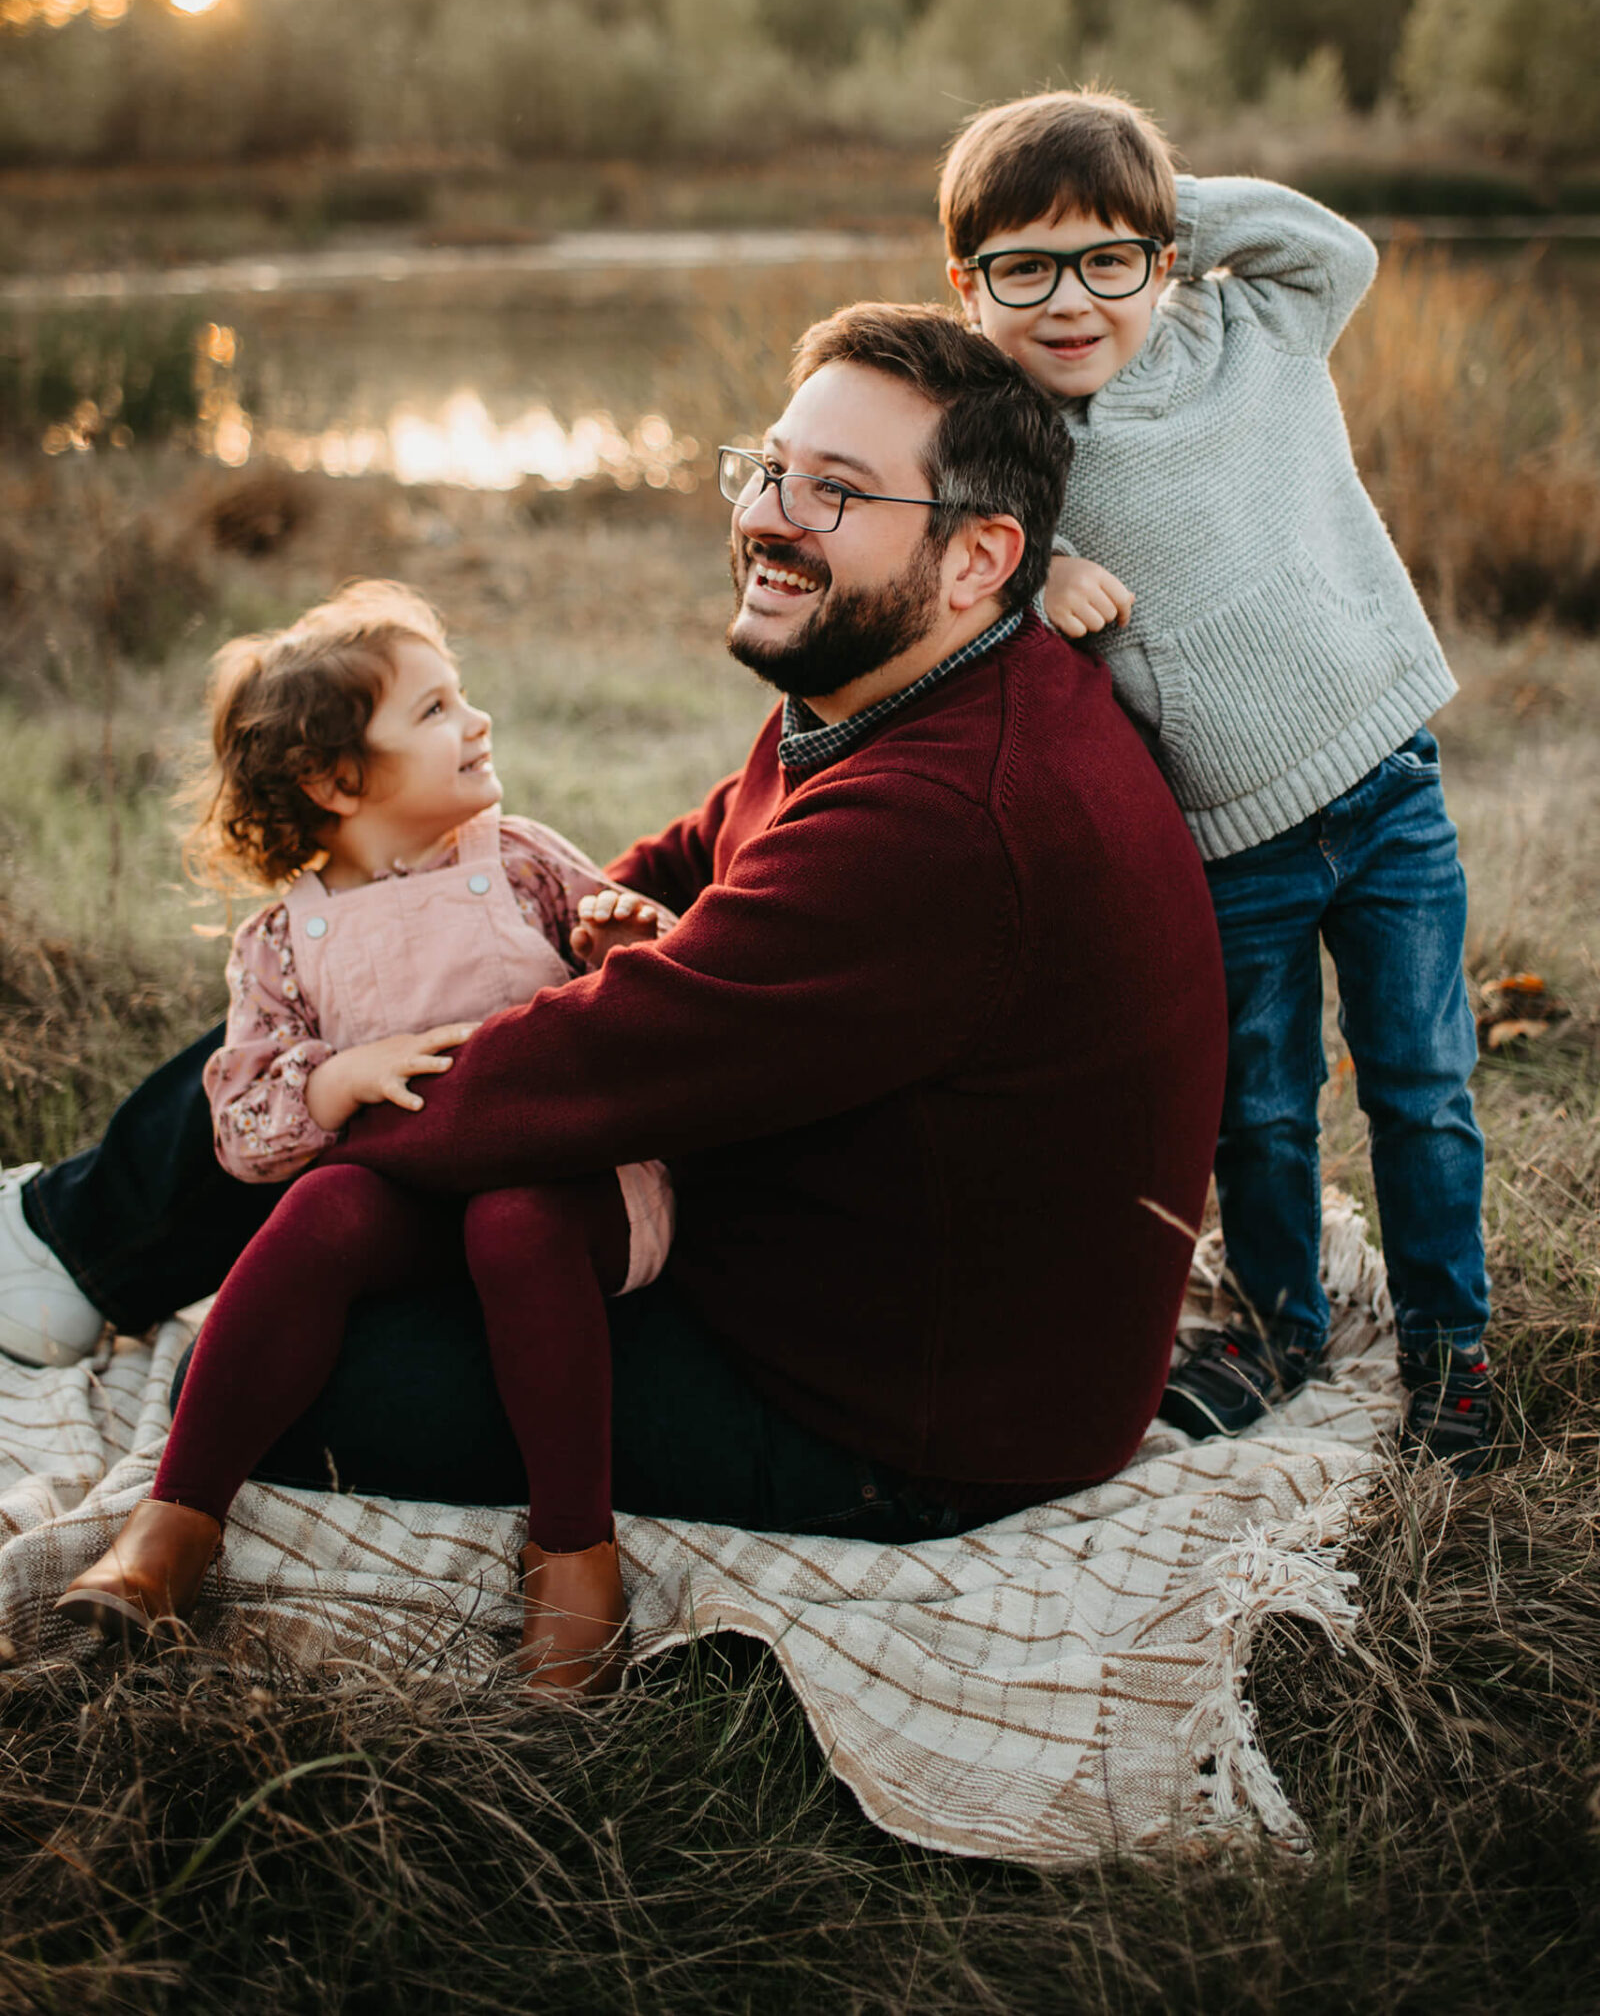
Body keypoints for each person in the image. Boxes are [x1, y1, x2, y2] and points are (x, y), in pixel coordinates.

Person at [6, 303, 1228, 1625]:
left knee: (259, 1362)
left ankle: (87, 1245)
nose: (770, 517)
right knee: (385, 996)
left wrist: (305, 1134)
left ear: (982, 555)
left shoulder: (946, 821)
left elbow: (590, 1063)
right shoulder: (905, 681)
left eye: (835, 492)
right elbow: (703, 851)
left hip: (902, 1423)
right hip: (859, 1288)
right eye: (769, 469)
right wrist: (536, 943)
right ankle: (76, 1240)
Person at [941, 89, 1495, 1471]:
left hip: (1384, 784)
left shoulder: (1257, 324)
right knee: (1255, 1104)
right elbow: (923, 530)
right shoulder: (1002, 427)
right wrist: (1037, 568)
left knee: (1422, 1083)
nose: (1070, 302)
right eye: (1025, 269)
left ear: (1167, 255)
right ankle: (1276, 1324)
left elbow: (1340, 251)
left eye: (1106, 260)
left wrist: (1158, 200)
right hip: (1226, 831)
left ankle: (1450, 1345)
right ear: (967, 285)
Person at [56, 581, 674, 1695]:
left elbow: (657, 1009)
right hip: (412, 1204)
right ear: (337, 780)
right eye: (435, 710)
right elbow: (246, 1131)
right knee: (316, 1209)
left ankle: (575, 1558)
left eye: (462, 694)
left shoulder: (522, 861)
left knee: (514, 1218)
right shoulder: (283, 942)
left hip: (568, 1191)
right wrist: (337, 1077)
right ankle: (175, 1526)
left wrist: (618, 941)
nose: (475, 719)